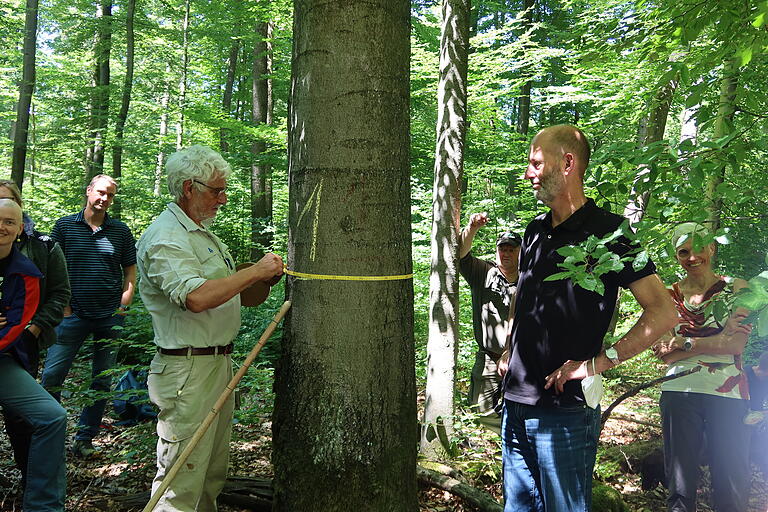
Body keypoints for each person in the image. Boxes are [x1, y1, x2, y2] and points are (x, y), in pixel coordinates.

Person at [500, 125, 677, 511]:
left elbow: (663, 311)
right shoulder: (533, 231)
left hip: (565, 413)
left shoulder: (612, 234)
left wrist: (598, 364)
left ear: (567, 163)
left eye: (534, 163)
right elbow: (522, 295)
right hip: (514, 403)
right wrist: (507, 349)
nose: (528, 173)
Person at [137, 145, 283, 511]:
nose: (223, 198)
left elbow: (239, 298)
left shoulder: (203, 236)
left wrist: (262, 280)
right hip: (187, 372)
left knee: (209, 476)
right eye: (216, 190)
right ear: (189, 187)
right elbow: (197, 298)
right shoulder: (166, 237)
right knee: (180, 480)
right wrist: (254, 271)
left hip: (217, 365)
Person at [653, 222, 752, 512]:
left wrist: (683, 343)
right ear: (676, 257)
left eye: (698, 248)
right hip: (678, 391)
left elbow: (736, 346)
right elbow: (662, 353)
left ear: (712, 247)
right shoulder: (666, 296)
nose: (692, 257)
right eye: (683, 252)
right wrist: (718, 338)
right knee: (680, 488)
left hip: (730, 393)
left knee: (732, 480)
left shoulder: (736, 288)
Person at [40, 174, 137, 458]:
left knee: (102, 380)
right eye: (101, 193)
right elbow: (50, 267)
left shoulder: (120, 231)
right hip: (71, 316)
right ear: (89, 191)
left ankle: (85, 438)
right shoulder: (64, 226)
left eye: (110, 195)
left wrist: (123, 306)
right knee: (53, 376)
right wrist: (64, 307)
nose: (105, 199)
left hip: (110, 316)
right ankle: (47, 435)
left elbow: (130, 272)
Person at [0, 180, 70, 496]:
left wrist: (34, 327)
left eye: (8, 206)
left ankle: (31, 483)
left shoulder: (42, 245)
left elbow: (59, 292)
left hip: (23, 345)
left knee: (23, 419)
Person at [458, 212, 520, 433]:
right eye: (503, 249)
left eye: (511, 249)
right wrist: (472, 228)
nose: (506, 253)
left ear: (520, 252)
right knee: (481, 410)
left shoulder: (528, 280)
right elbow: (461, 254)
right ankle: (507, 439)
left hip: (521, 358)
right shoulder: (484, 272)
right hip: (489, 358)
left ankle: (517, 447)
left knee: (522, 409)